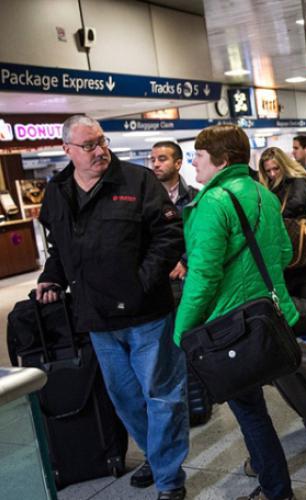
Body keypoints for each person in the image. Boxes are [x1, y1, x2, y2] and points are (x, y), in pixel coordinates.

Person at [37, 115, 188, 500]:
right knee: (125, 398)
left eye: (102, 141)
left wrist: (141, 283)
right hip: (97, 318)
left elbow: (170, 235)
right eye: (88, 146)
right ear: (67, 150)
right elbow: (59, 247)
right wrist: (50, 277)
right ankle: (155, 455)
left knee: (162, 394)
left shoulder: (138, 181)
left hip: (146, 314)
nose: (100, 151)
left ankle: (169, 478)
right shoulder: (57, 191)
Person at [173, 125, 297, 500]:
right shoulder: (263, 194)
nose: (194, 162)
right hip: (268, 316)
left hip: (231, 326)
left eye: (199, 155)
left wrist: (181, 330)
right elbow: (285, 253)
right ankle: (261, 464)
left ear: (222, 160)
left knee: (249, 409)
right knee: (253, 401)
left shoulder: (213, 202)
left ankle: (276, 489)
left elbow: (204, 275)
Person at [259, 146, 306, 302]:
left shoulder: (297, 178)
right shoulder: (268, 186)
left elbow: (299, 202)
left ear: (283, 164)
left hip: (303, 248)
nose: (272, 174)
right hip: (286, 249)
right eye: (268, 171)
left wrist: (273, 216)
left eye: (276, 168)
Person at [150, 141, 198, 295]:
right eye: (153, 160)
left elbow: (200, 236)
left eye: (162, 159)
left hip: (186, 278)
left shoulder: (195, 198)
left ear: (178, 164)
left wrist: (184, 261)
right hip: (153, 278)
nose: (156, 164)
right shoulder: (144, 199)